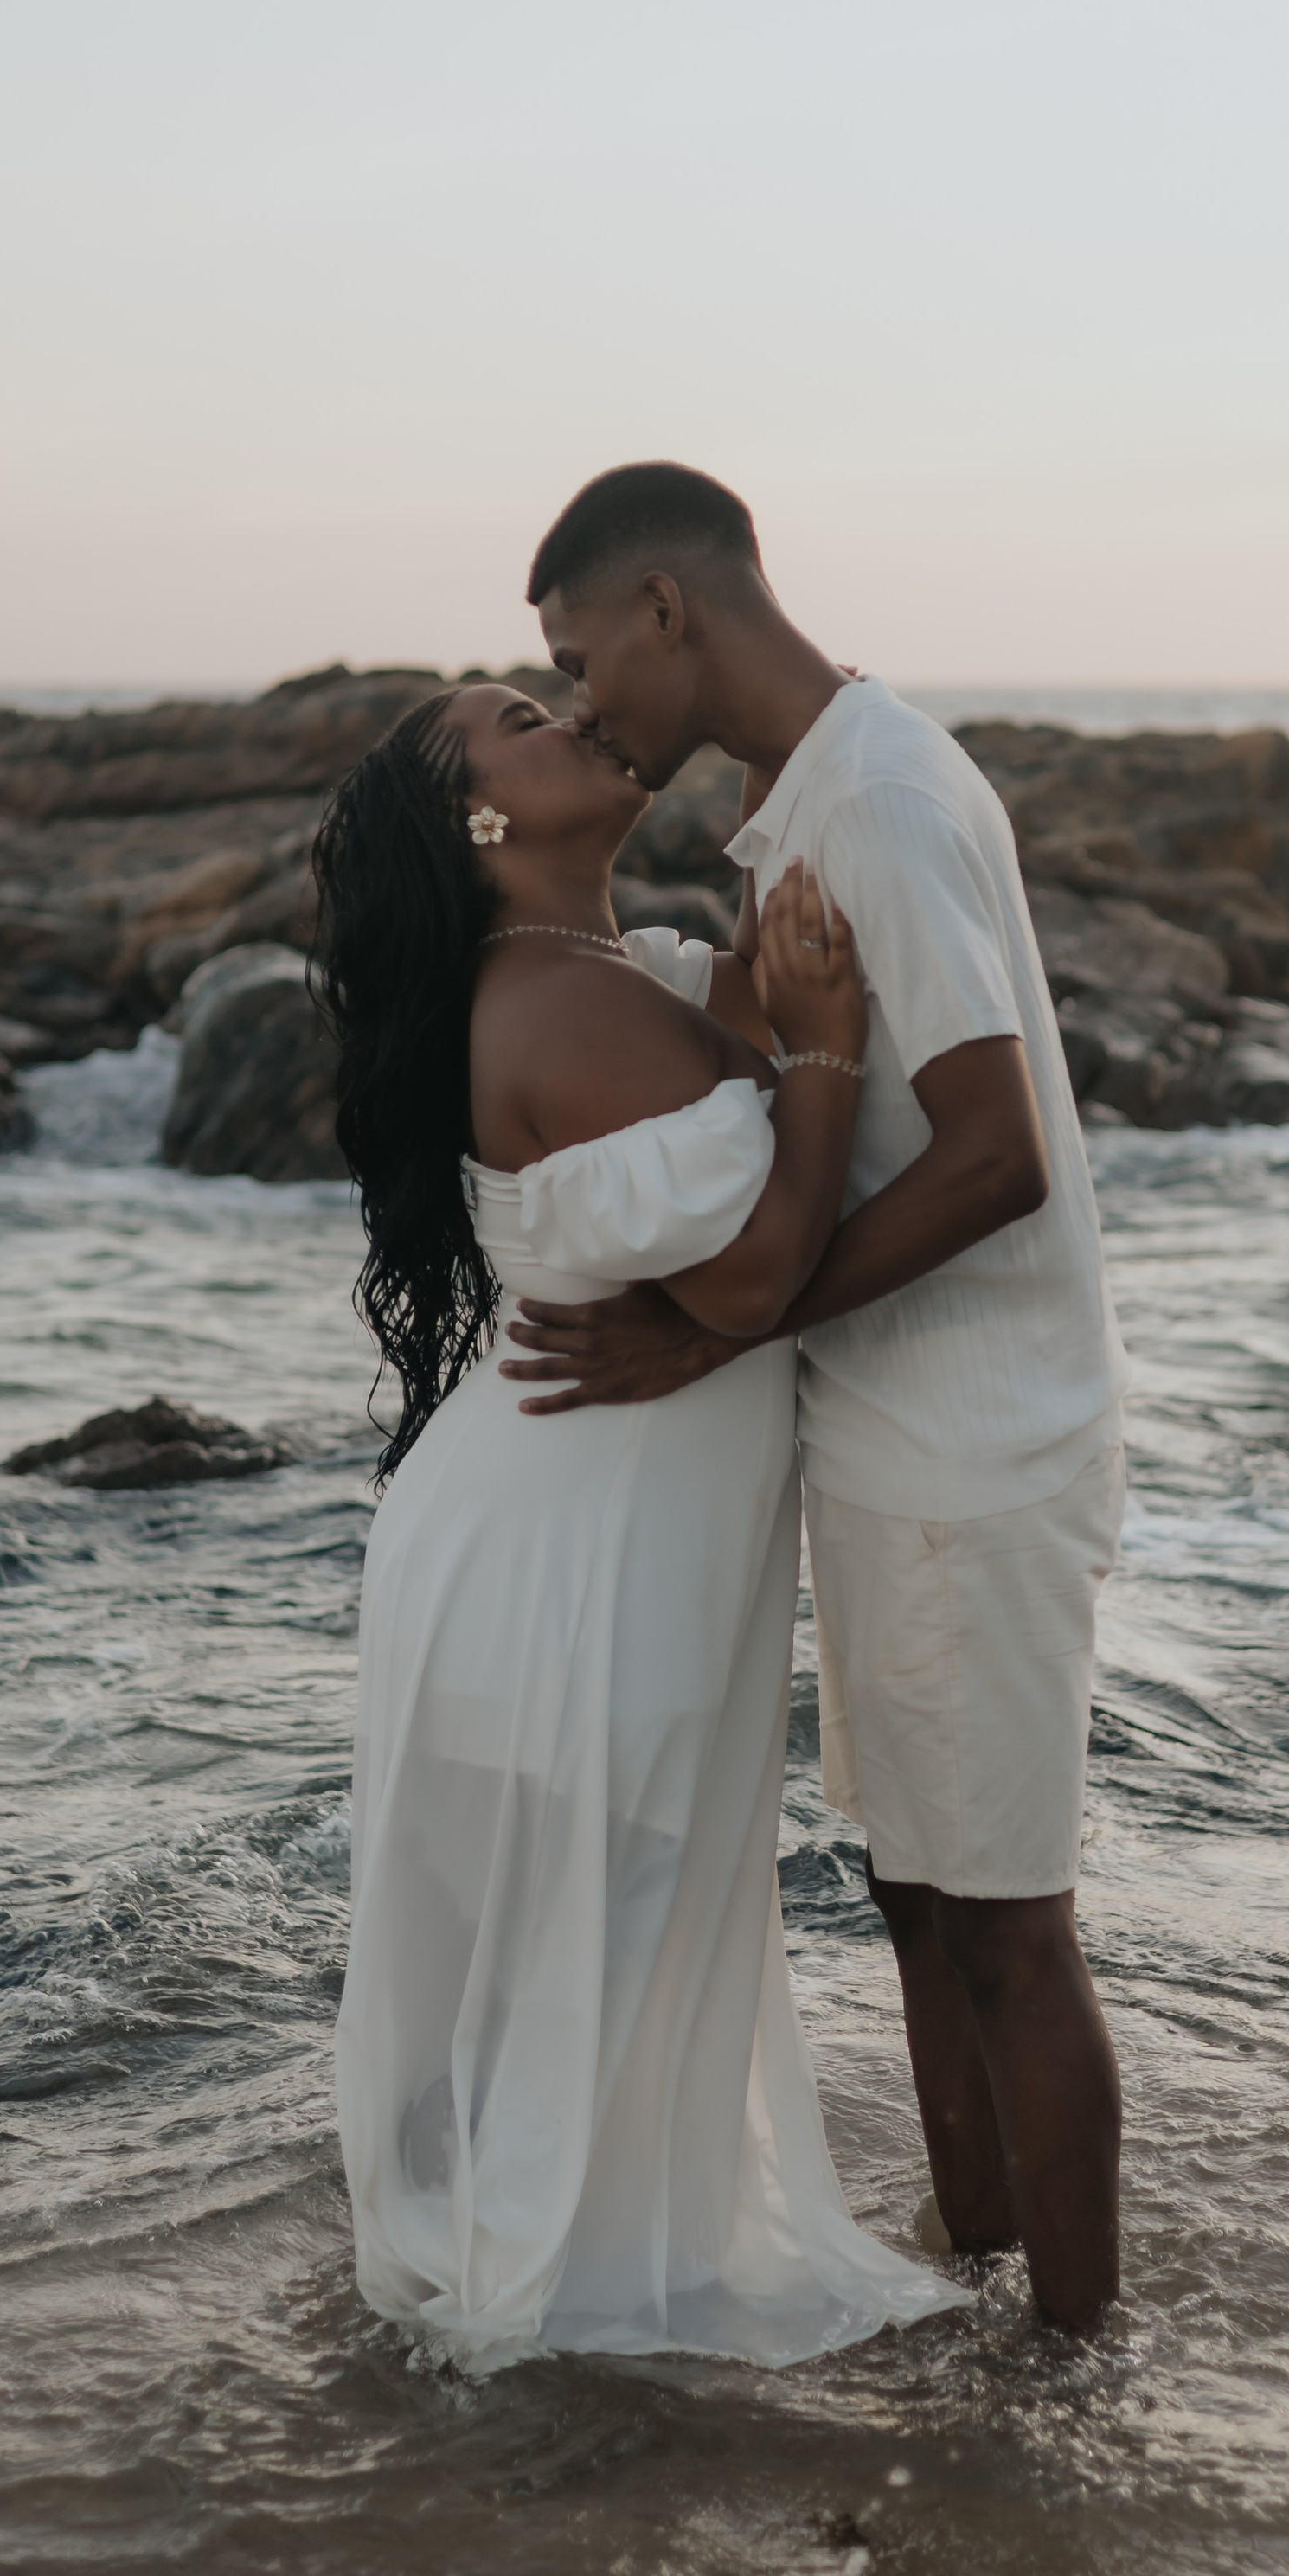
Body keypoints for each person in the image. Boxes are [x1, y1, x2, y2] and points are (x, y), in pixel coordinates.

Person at [508, 462, 1131, 2333]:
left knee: (1005, 1928)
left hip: (972, 1442)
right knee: (919, 1910)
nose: (578, 697)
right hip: (890, 1441)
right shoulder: (806, 810)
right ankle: (982, 2294)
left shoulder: (870, 796)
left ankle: (1074, 2375)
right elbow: (812, 1083)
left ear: (664, 608)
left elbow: (992, 1149)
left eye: (574, 653)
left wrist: (722, 1331)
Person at [317, 676, 969, 2368]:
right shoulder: (547, 1001)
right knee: (594, 1936)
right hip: (566, 1549)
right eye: (519, 714)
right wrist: (819, 1054)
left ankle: (549, 2329)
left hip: (572, 1521)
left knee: (593, 1942)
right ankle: (546, 2356)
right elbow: (751, 1271)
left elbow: (736, 1029)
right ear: (479, 821)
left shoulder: (617, 972)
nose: (574, 707)